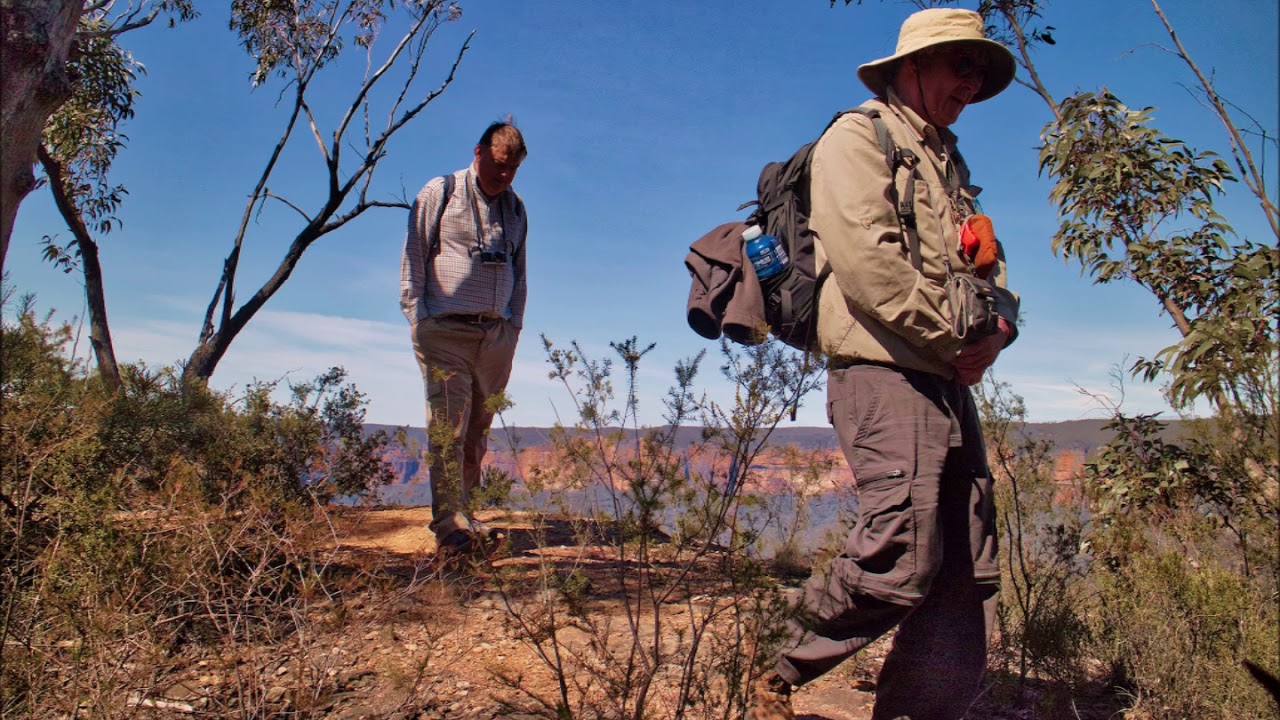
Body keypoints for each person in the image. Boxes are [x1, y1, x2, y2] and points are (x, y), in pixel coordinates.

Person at [748, 9, 1020, 720]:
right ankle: (769, 666)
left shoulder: (949, 165)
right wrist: (953, 340)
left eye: (979, 72)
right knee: (902, 552)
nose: (970, 83)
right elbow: (870, 266)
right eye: (959, 65)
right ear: (911, 67)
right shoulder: (858, 138)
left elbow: (991, 276)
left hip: (945, 378)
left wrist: (1002, 330)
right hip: (883, 372)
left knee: (964, 570)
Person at [399, 120, 528, 555]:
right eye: (498, 166)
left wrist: (514, 325)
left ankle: (464, 515)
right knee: (448, 428)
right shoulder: (442, 191)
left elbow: (521, 271)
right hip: (445, 332)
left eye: (512, 169)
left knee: (476, 431)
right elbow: (415, 254)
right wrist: (418, 317)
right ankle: (449, 528)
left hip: (494, 336)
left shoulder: (515, 208)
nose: (504, 176)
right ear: (478, 152)